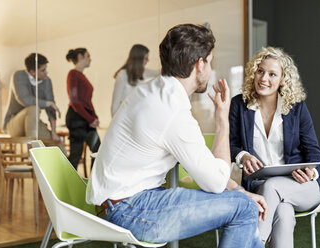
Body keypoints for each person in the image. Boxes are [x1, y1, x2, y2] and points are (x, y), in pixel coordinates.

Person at [86, 24, 266, 247]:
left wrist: (239, 191)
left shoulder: (153, 92)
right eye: (210, 62)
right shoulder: (172, 111)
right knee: (244, 208)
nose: (210, 70)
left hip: (124, 201)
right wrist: (222, 119)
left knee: (243, 204)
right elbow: (215, 183)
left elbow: (208, 170)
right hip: (128, 209)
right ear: (199, 64)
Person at [229, 47, 320, 247]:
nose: (264, 78)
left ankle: (254, 242)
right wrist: (243, 156)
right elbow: (229, 144)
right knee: (283, 212)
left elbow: (313, 150)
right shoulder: (239, 105)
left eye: (272, 74)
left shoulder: (296, 106)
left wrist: (310, 172)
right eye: (260, 71)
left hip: (302, 186)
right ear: (253, 72)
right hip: (260, 185)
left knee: (273, 187)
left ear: (283, 79)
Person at [3, 53, 62, 143]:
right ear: (32, 72)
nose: (46, 72)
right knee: (33, 109)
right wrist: (48, 103)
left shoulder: (47, 81)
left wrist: (54, 132)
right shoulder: (18, 76)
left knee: (56, 145)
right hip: (13, 124)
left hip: (33, 123)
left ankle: (50, 153)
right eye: (43, 70)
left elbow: (51, 109)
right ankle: (33, 154)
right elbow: (25, 100)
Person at [65, 48, 101, 170]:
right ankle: (66, 187)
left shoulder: (81, 76)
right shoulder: (73, 74)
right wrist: (91, 119)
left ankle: (92, 185)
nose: (90, 59)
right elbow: (74, 101)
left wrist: (94, 117)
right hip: (77, 119)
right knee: (76, 156)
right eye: (88, 56)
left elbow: (87, 101)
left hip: (86, 119)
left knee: (98, 152)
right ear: (80, 56)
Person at [111, 44, 159, 116]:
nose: (147, 61)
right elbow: (115, 105)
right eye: (145, 58)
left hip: (137, 116)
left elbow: (159, 73)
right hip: (124, 117)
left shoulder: (143, 72)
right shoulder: (122, 75)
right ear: (139, 59)